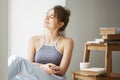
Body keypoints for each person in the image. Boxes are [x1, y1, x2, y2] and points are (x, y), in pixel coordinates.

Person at [8, 5, 74, 80]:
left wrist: (41, 67)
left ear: (60, 24)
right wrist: (43, 67)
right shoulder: (34, 40)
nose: (46, 18)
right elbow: (29, 64)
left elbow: (62, 71)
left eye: (51, 17)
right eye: (47, 15)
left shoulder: (67, 42)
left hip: (55, 78)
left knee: (17, 61)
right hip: (36, 77)